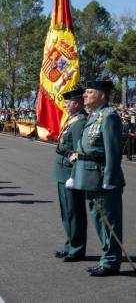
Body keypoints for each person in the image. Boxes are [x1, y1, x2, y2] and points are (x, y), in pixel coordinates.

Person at [68, 80, 126, 276]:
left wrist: (109, 178)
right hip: (89, 177)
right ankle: (107, 258)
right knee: (99, 221)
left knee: (109, 221)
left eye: (89, 92)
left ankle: (110, 261)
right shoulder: (95, 115)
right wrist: (76, 175)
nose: (84, 95)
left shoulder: (109, 117)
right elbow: (82, 149)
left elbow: (113, 152)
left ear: (102, 95)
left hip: (102, 179)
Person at [52, 87, 88, 262]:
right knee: (66, 212)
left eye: (67, 103)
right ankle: (70, 246)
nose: (65, 106)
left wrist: (74, 175)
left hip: (69, 172)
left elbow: (78, 151)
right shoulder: (73, 120)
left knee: (75, 212)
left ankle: (77, 249)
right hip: (62, 171)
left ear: (76, 103)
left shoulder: (80, 122)